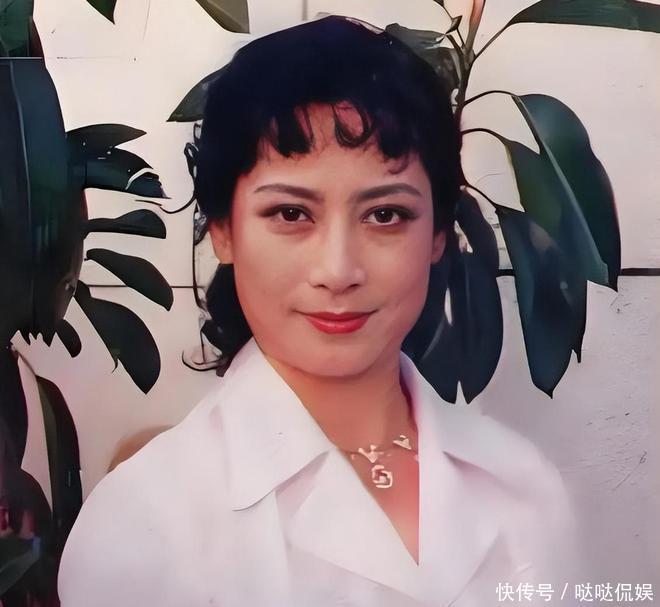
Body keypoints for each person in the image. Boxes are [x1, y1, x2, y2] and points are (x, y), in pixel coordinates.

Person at [57, 15, 582, 607]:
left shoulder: (524, 490)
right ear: (223, 230)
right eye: (290, 214)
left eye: (385, 215)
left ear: (438, 233)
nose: (338, 270)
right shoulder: (140, 527)